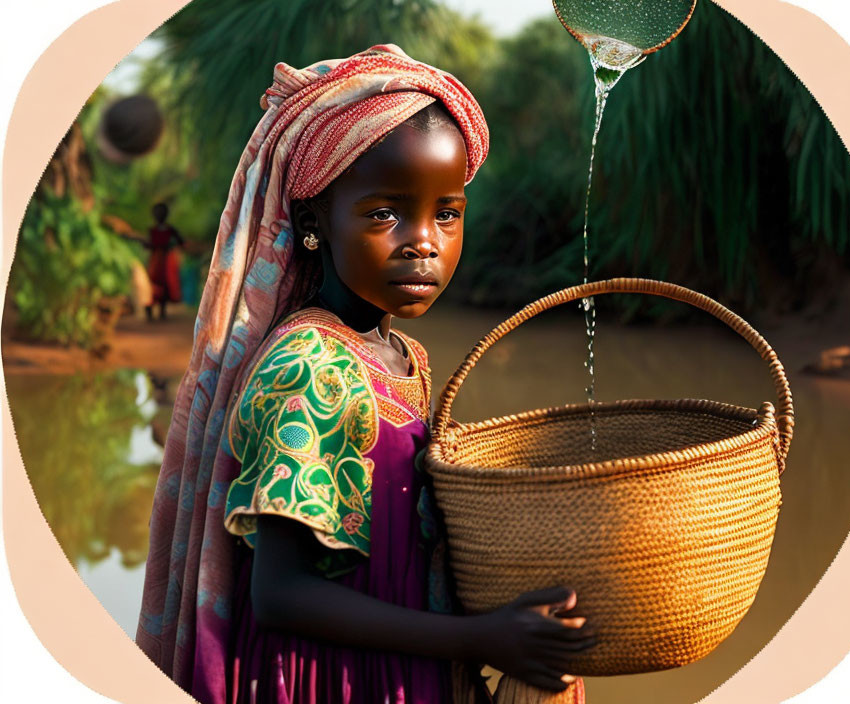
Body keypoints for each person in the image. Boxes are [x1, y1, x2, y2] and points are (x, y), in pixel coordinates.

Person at [136, 45, 593, 704]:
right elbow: (282, 595)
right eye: (385, 213)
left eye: (447, 212)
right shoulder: (309, 367)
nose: (424, 241)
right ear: (314, 223)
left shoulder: (402, 357)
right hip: (328, 678)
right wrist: (477, 640)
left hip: (403, 663)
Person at [144, 202, 184, 320]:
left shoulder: (170, 230)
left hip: (166, 261)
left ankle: (162, 310)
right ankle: (150, 308)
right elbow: (149, 244)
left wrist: (170, 245)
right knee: (154, 283)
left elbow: (180, 242)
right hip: (156, 260)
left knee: (166, 284)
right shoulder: (152, 230)